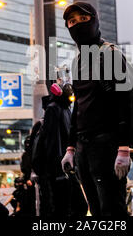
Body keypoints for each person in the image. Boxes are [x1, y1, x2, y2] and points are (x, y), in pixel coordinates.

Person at [61, 1, 132, 217]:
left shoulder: (110, 54)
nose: (78, 25)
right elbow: (78, 107)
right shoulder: (78, 62)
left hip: (107, 145)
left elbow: (125, 102)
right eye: (72, 22)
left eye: (83, 19)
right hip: (83, 148)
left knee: (112, 211)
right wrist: (70, 148)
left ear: (95, 21)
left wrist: (123, 148)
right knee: (95, 210)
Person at [35, 82, 87, 217]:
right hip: (58, 169)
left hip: (65, 166)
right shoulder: (54, 108)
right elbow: (53, 141)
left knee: (75, 206)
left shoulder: (66, 109)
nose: (71, 96)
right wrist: (58, 170)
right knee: (64, 208)